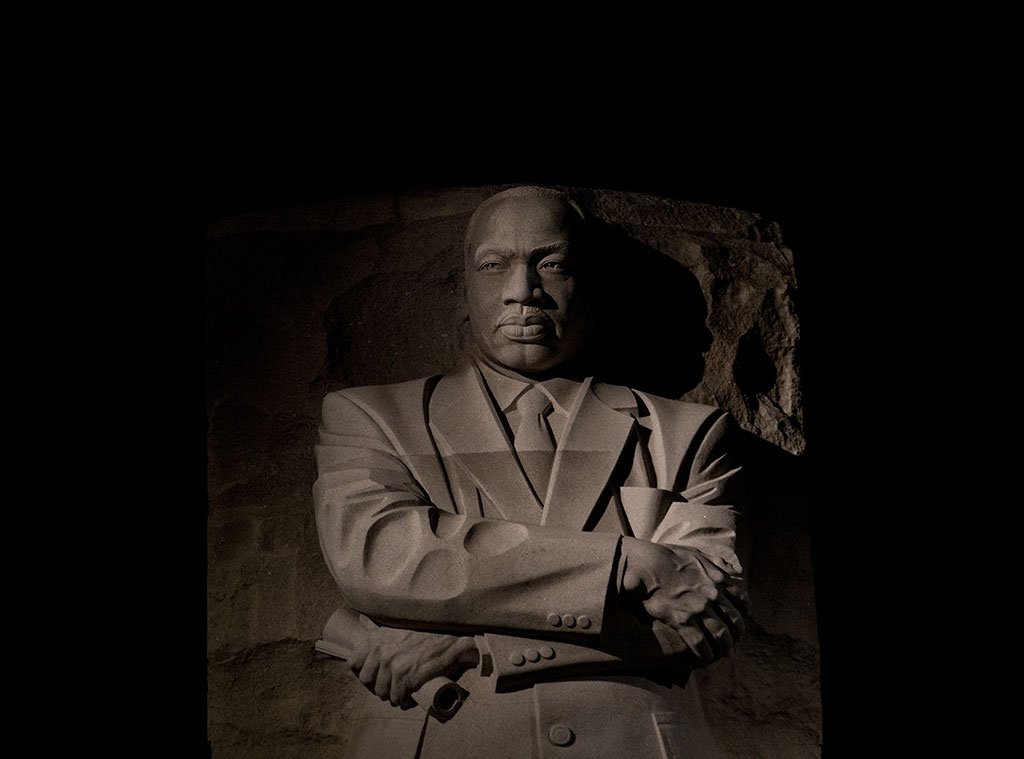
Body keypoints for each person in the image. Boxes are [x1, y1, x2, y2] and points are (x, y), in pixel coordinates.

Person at [313, 186, 749, 759]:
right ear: (464, 289)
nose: (522, 292)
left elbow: (706, 620)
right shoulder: (371, 417)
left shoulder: (686, 432)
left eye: (553, 264)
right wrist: (628, 562)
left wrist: (477, 647)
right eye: (493, 266)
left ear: (594, 283)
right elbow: (383, 557)